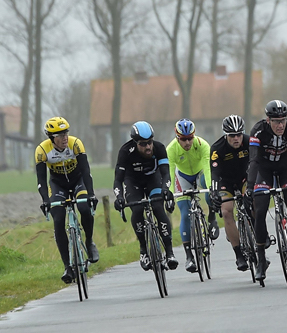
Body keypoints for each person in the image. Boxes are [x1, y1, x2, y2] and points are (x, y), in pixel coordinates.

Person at [247, 100, 287, 282]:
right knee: (259, 211)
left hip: (285, 170)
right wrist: (250, 187)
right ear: (268, 120)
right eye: (276, 121)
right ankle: (261, 261)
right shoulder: (258, 130)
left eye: (283, 120)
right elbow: (253, 161)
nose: (280, 125)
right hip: (264, 170)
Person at [35, 117, 99, 283]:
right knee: (58, 220)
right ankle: (67, 267)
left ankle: (89, 242)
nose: (64, 138)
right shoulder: (42, 150)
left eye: (66, 133)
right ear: (51, 137)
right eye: (60, 135)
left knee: (84, 208)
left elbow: (86, 171)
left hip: (78, 181)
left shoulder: (75, 143)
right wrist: (45, 200)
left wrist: (91, 193)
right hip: (58, 185)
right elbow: (41, 180)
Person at [113, 121, 179, 272]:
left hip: (152, 179)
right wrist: (119, 197)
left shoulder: (159, 148)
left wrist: (165, 189)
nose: (148, 147)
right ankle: (143, 250)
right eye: (143, 144)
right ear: (135, 142)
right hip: (133, 182)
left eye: (150, 142)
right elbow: (118, 179)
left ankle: (169, 252)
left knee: (158, 207)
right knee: (137, 210)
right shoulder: (125, 151)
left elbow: (165, 173)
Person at [166, 118, 214, 274]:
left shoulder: (203, 145)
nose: (187, 143)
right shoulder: (171, 149)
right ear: (177, 137)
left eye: (190, 139)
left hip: (200, 173)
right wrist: (170, 194)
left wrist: (211, 189)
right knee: (185, 214)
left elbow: (207, 168)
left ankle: (212, 218)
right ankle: (189, 256)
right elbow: (170, 174)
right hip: (182, 177)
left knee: (209, 185)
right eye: (183, 139)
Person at [210, 115, 250, 272]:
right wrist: (214, 193)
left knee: (252, 199)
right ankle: (239, 254)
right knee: (226, 211)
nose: (236, 138)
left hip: (244, 177)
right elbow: (214, 173)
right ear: (225, 135)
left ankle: (257, 233)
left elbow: (257, 164)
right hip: (225, 180)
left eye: (239, 134)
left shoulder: (249, 142)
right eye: (232, 135)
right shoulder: (217, 148)